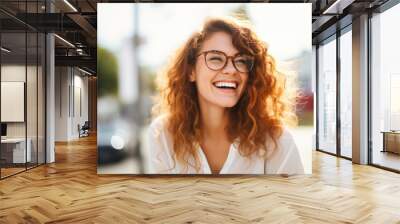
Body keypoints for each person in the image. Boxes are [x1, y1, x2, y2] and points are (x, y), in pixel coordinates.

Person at [146, 17, 304, 174]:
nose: (232, 69)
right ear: (191, 71)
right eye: (216, 58)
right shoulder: (163, 134)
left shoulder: (277, 140)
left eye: (241, 60)